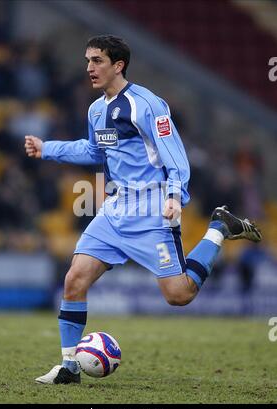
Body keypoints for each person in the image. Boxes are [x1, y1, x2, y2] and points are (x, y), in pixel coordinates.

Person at [24, 35, 262, 384]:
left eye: (97, 61)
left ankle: (219, 228)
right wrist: (49, 149)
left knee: (179, 295)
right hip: (114, 208)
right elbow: (94, 152)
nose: (89, 67)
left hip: (152, 206)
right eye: (88, 60)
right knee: (74, 279)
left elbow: (174, 154)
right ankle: (69, 367)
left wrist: (174, 195)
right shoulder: (96, 109)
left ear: (118, 65)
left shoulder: (146, 104)